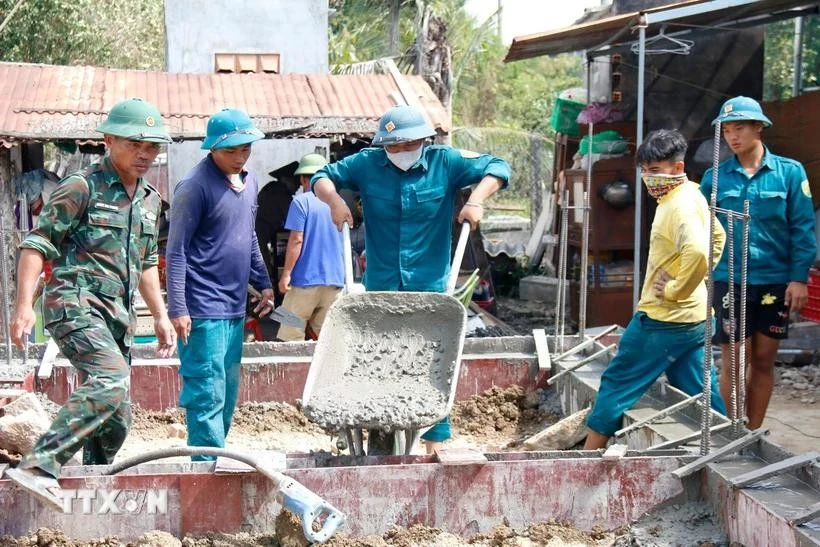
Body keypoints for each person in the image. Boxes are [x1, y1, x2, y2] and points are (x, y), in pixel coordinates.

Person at [7, 98, 177, 510]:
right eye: (135, 143)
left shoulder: (151, 200)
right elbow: (36, 244)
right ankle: (38, 464)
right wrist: (23, 305)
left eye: (152, 147)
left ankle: (91, 488)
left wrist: (160, 315)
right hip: (74, 304)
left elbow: (147, 262)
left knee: (117, 420)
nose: (145, 154)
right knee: (110, 382)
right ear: (108, 140)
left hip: (116, 317)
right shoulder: (82, 187)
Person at [312, 105, 510, 454]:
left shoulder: (445, 162)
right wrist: (334, 201)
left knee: (435, 361)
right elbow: (321, 175)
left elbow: (498, 166)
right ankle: (378, 430)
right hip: (382, 284)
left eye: (409, 144)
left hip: (430, 285)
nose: (402, 152)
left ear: (423, 139)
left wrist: (476, 200)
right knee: (379, 360)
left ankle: (434, 442)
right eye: (393, 146)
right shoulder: (366, 164)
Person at [584, 129, 727, 450]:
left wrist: (677, 288)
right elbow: (717, 237)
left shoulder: (678, 205)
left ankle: (586, 457)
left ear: (677, 168)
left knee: (617, 381)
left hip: (664, 319)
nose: (649, 179)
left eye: (656, 171)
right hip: (696, 317)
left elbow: (701, 251)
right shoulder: (691, 194)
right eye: (645, 171)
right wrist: (696, 283)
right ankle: (726, 450)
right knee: (697, 390)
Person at [700, 96, 816, 430]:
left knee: (764, 360)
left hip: (774, 281)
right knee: (734, 361)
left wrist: (798, 278)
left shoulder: (790, 174)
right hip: (729, 280)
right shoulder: (715, 179)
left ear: (759, 128)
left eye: (739, 129)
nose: (732, 137)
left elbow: (803, 229)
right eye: (727, 131)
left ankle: (752, 433)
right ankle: (729, 431)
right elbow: (701, 229)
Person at [165, 108, 274, 461]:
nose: (240, 157)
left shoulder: (250, 180)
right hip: (203, 308)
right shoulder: (194, 187)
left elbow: (249, 237)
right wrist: (177, 308)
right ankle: (205, 469)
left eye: (246, 149)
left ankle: (215, 458)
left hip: (233, 306)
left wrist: (264, 281)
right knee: (206, 392)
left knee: (226, 391)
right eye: (231, 151)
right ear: (211, 149)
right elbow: (176, 251)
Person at [277, 153, 344, 341]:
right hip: (335, 283)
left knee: (290, 334)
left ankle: (296, 370)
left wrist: (286, 274)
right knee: (326, 338)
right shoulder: (339, 203)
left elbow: (296, 240)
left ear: (302, 178)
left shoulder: (300, 202)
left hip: (305, 282)